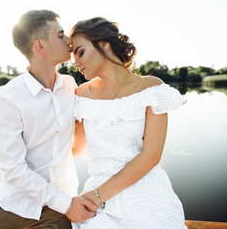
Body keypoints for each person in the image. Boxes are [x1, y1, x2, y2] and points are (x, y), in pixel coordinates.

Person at [0, 10, 97, 229]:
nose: (69, 41)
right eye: (61, 35)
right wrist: (66, 204)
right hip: (12, 206)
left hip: (59, 210)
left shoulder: (71, 86)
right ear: (40, 46)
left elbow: (81, 141)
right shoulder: (7, 100)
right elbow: (13, 169)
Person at [69, 17, 188, 229]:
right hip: (97, 203)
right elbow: (75, 150)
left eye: (80, 52)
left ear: (103, 44)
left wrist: (97, 197)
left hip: (148, 197)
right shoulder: (80, 95)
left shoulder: (151, 88)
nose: (75, 63)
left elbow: (151, 155)